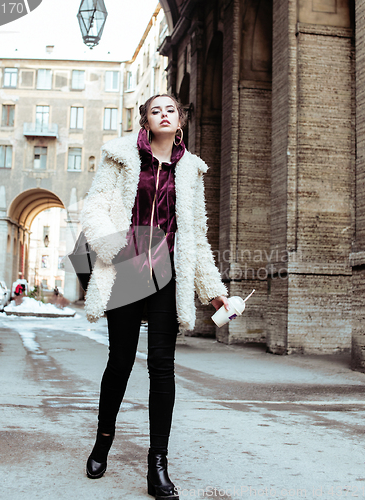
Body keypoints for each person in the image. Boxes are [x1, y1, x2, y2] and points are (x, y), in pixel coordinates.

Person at [80, 94, 229, 499]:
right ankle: (103, 439)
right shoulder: (120, 157)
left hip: (168, 272)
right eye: (154, 109)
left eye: (171, 109)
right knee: (121, 359)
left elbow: (195, 237)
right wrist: (115, 249)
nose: (163, 114)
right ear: (145, 120)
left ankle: (157, 464)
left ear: (180, 120)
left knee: (162, 366)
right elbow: (93, 208)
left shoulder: (191, 171)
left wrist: (214, 294)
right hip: (128, 264)